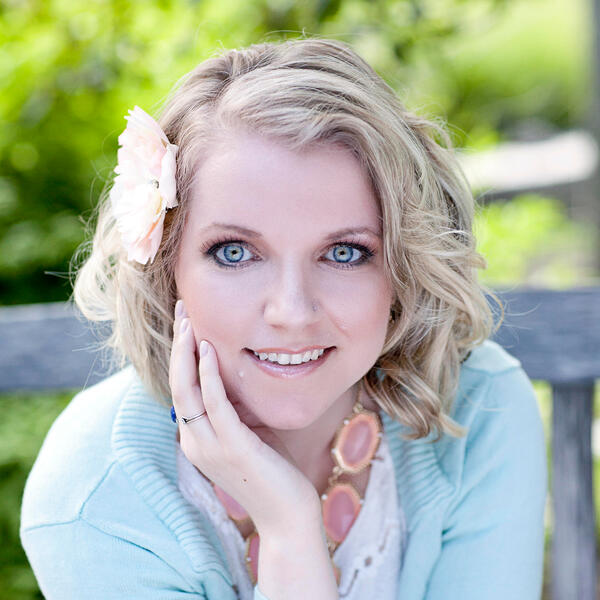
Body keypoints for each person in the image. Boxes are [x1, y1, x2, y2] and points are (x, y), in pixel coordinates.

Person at [20, 38, 547, 600]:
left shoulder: (479, 407)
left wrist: (290, 529)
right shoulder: (94, 495)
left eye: (344, 252)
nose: (292, 312)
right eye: (235, 253)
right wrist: (290, 530)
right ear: (167, 266)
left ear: (403, 266)